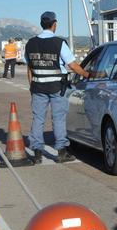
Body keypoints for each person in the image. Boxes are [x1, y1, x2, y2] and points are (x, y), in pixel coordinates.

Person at [25, 11, 90, 164]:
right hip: (56, 87)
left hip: (38, 87)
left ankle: (36, 153)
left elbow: (29, 68)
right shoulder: (59, 43)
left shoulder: (30, 43)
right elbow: (73, 66)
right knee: (58, 119)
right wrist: (88, 75)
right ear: (54, 24)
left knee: (38, 119)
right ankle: (61, 152)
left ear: (42, 24)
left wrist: (32, 87)